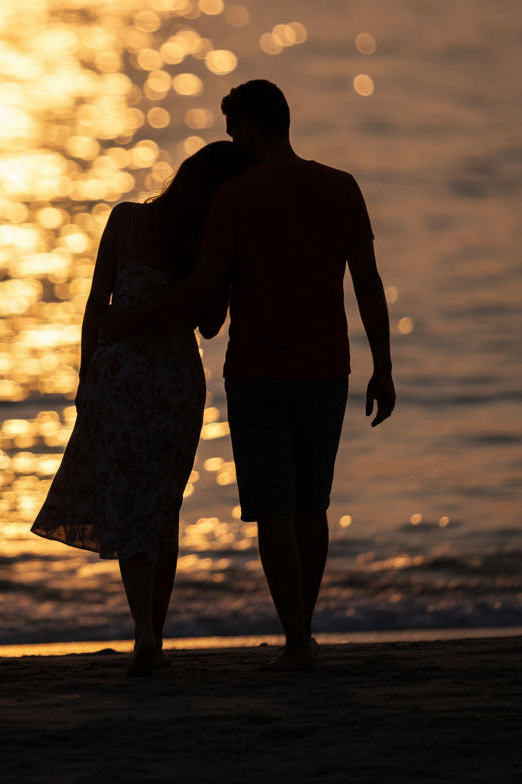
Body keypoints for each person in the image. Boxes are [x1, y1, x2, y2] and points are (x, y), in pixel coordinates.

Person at [100, 79, 396, 672]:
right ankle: (301, 634)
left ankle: (293, 637)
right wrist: (383, 368)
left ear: (254, 130)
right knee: (313, 507)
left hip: (257, 374)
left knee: (275, 511)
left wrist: (129, 318)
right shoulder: (341, 187)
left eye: (235, 131)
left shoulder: (234, 196)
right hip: (326, 371)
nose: (232, 142)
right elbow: (367, 281)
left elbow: (204, 289)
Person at [31, 141, 256, 676]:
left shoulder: (126, 220)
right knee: (161, 510)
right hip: (175, 382)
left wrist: (86, 378)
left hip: (120, 377)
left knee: (133, 505)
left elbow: (96, 305)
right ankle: (151, 634)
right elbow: (209, 325)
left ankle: (145, 634)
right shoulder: (207, 244)